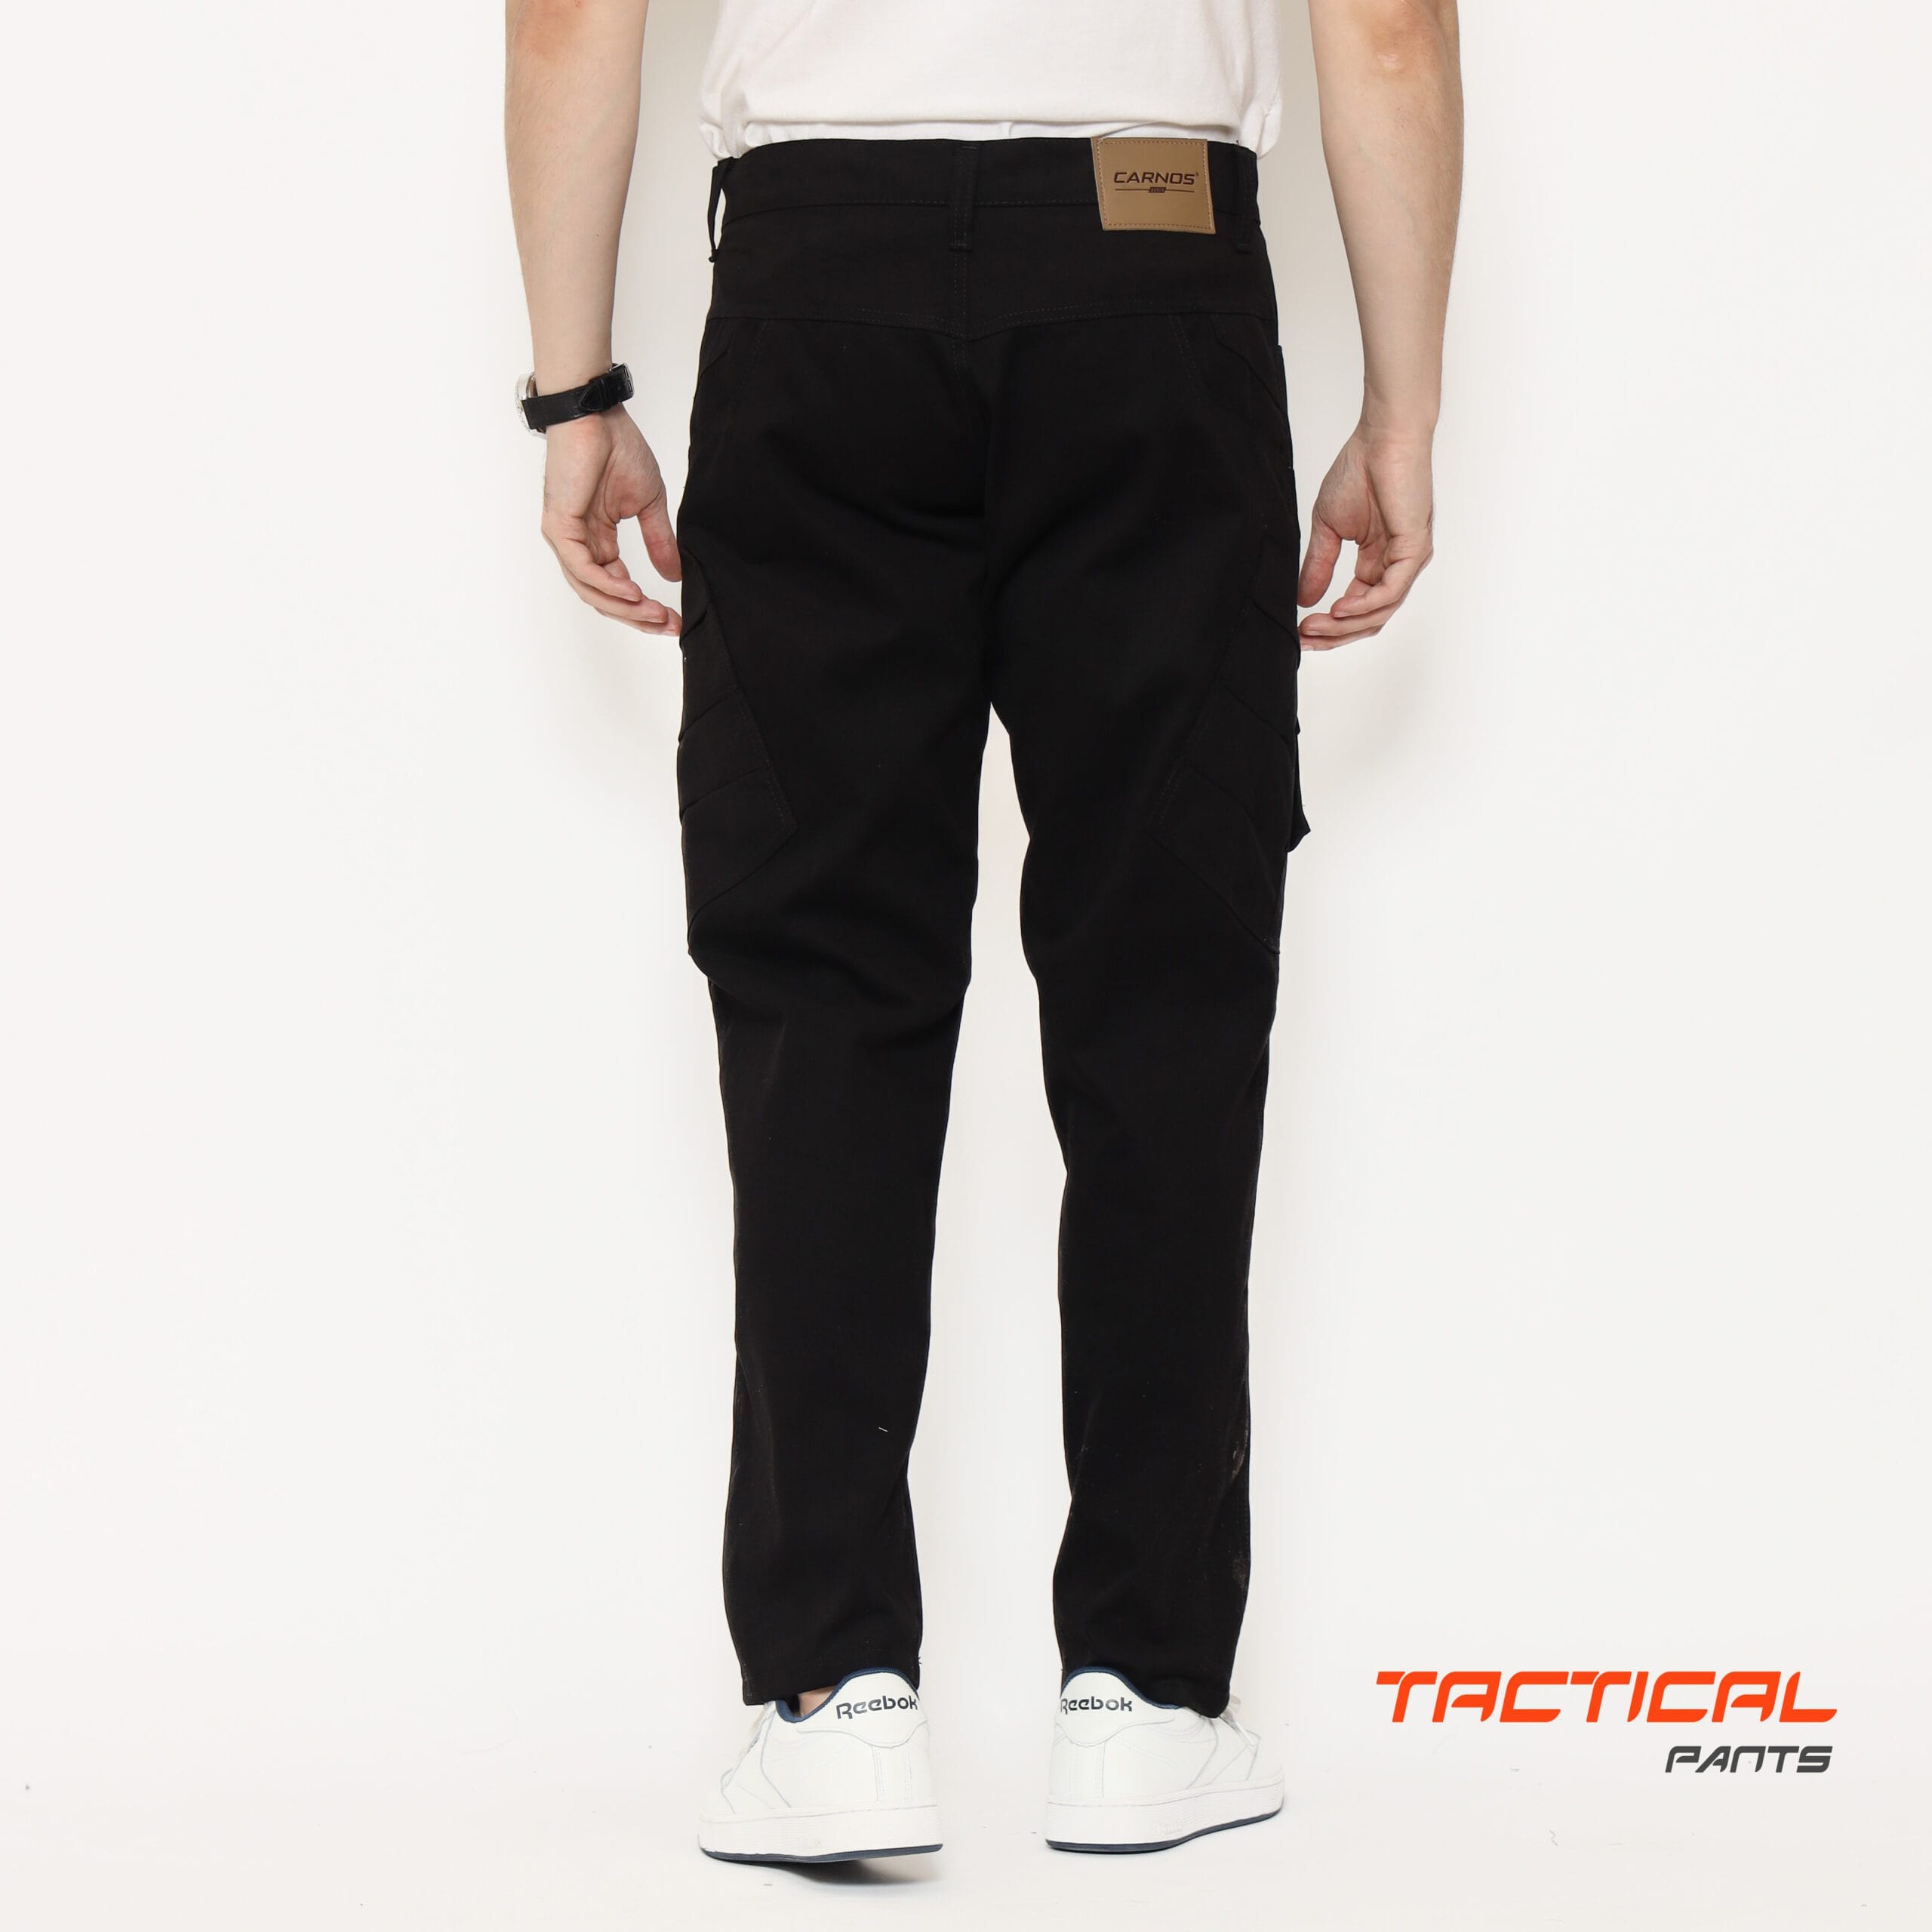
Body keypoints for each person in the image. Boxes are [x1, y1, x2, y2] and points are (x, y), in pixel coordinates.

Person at [505, 0, 1461, 1864]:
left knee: (820, 984)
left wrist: (572, 391)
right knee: (1162, 987)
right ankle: (1149, 1693)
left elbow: (566, 24)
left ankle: (827, 1691)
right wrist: (1402, 411)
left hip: (817, 274)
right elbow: (1387, 29)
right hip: (1151, 258)